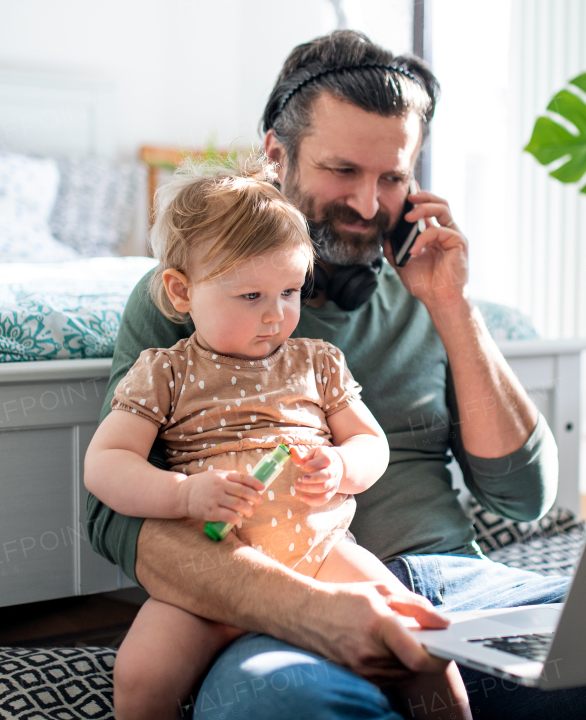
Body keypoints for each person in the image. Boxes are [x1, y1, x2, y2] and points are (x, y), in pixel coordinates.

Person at [87, 30, 586, 719]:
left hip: (457, 595)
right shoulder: (191, 303)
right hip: (276, 603)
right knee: (294, 705)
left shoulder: (427, 293)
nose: (369, 203)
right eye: (342, 170)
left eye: (393, 177)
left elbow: (522, 496)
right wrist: (309, 609)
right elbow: (114, 518)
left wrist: (453, 308)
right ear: (276, 155)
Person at [84, 160, 470, 720]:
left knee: (419, 640)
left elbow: (371, 444)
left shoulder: (317, 362)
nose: (275, 316)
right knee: (141, 675)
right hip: (213, 571)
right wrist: (182, 495)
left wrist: (341, 467)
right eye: (250, 297)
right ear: (180, 291)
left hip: (321, 552)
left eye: (289, 291)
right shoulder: (164, 372)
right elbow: (106, 463)